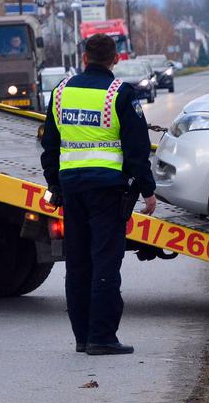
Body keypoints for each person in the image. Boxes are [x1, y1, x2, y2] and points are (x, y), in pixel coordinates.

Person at [40, 33, 156, 356]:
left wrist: (55, 185)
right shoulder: (120, 93)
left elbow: (49, 146)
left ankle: (82, 337)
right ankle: (102, 337)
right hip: (107, 192)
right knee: (105, 262)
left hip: (72, 189)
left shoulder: (60, 92)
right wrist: (147, 190)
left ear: (84, 58)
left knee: (77, 263)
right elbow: (137, 150)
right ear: (115, 59)